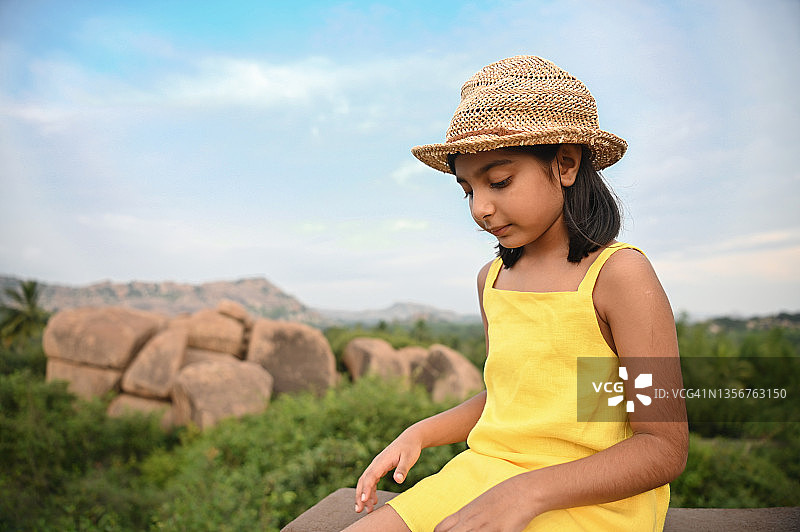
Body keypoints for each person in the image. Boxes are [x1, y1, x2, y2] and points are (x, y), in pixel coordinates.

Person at [345, 55, 688, 532]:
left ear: (565, 163)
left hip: (591, 496)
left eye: (499, 181)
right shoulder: (491, 280)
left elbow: (663, 448)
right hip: (488, 472)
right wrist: (419, 433)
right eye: (467, 190)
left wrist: (528, 492)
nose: (480, 208)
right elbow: (508, 398)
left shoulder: (620, 275)